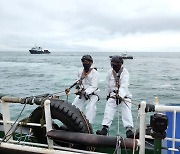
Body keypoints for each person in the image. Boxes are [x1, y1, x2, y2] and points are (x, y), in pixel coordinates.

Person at [96, 55, 134, 138]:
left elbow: (124, 85)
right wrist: (108, 94)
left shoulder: (125, 72)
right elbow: (107, 84)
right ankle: (105, 128)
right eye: (112, 64)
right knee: (108, 110)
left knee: (126, 110)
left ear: (120, 64)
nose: (114, 66)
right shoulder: (110, 72)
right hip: (113, 94)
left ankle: (129, 129)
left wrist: (120, 96)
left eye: (116, 64)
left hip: (124, 95)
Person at [72, 55, 99, 124]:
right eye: (83, 61)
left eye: (86, 61)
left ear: (91, 62)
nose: (84, 63)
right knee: (75, 105)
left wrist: (86, 92)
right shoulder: (80, 71)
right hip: (82, 92)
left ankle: (88, 124)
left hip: (93, 93)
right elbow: (78, 81)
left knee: (90, 107)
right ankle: (73, 122)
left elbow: (94, 86)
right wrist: (78, 89)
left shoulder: (95, 73)